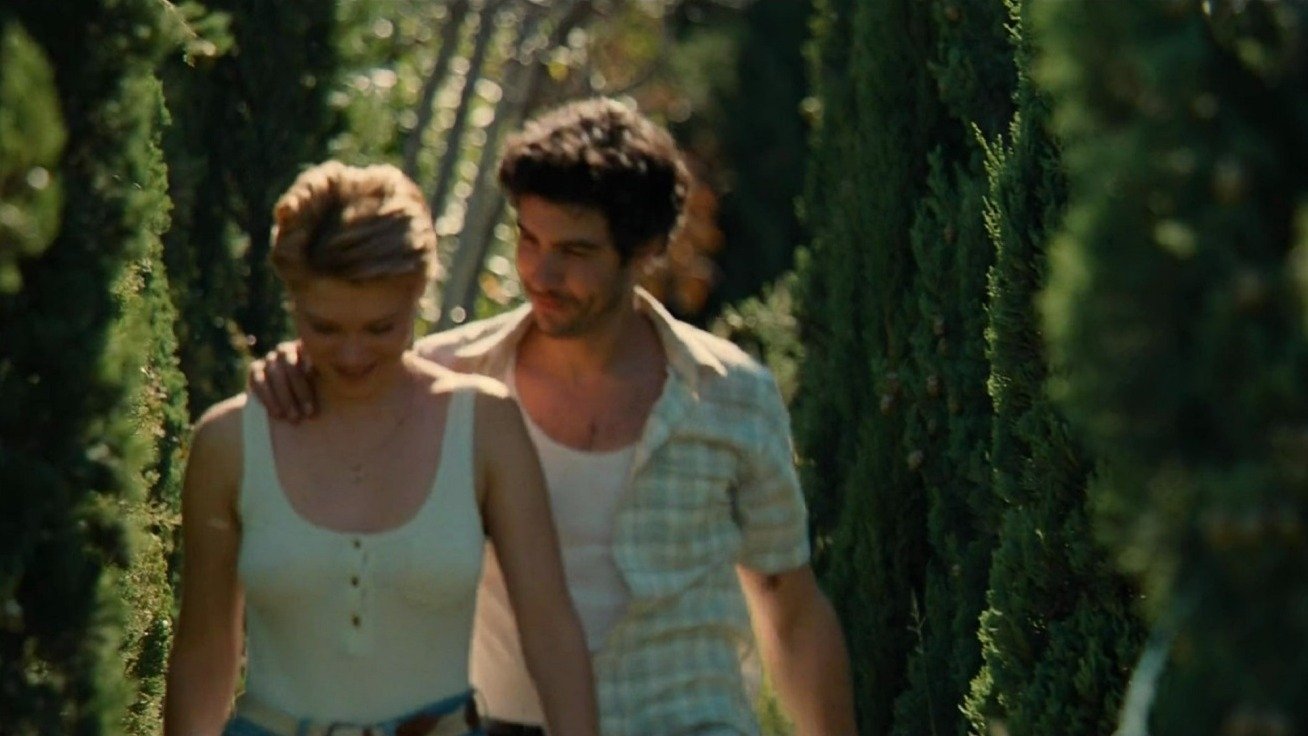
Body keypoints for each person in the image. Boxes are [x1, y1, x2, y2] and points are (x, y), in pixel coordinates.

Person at [251, 99, 857, 736]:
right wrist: (295, 372)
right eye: (530, 240)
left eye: (575, 251)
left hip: (686, 721)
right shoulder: (446, 381)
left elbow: (790, 609)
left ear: (646, 250)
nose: (541, 273)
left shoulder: (733, 396)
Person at [165, 161, 599, 736]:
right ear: (292, 300)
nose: (351, 355)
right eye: (324, 328)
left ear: (418, 294)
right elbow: (204, 652)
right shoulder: (229, 443)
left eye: (380, 328)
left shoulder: (483, 426)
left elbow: (551, 630)